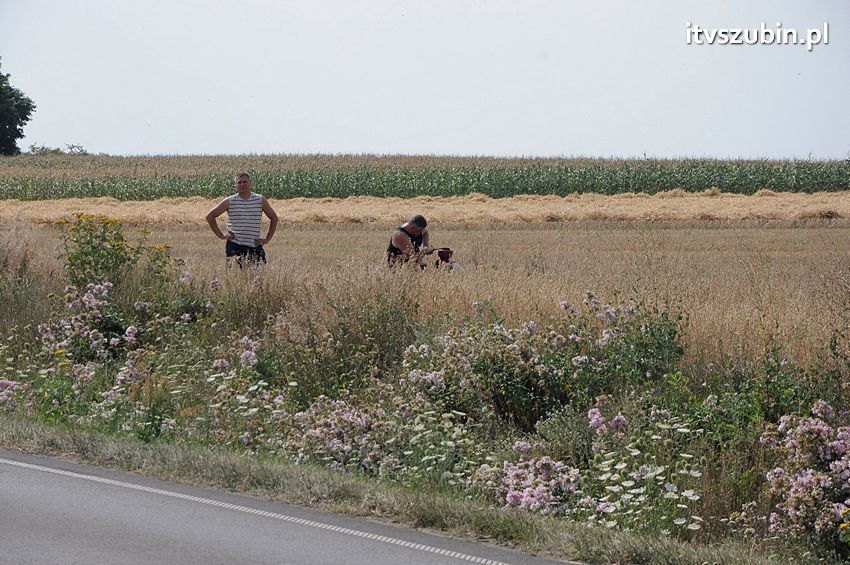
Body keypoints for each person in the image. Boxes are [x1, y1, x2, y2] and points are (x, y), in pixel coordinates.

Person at [206, 172, 278, 267]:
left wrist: (267, 239)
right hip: (235, 246)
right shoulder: (229, 201)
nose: (242, 184)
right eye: (239, 182)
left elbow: (274, 217)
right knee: (235, 278)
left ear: (250, 183)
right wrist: (221, 235)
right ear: (235, 185)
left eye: (245, 182)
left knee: (259, 276)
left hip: (254, 245)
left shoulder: (260, 200)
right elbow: (210, 216)